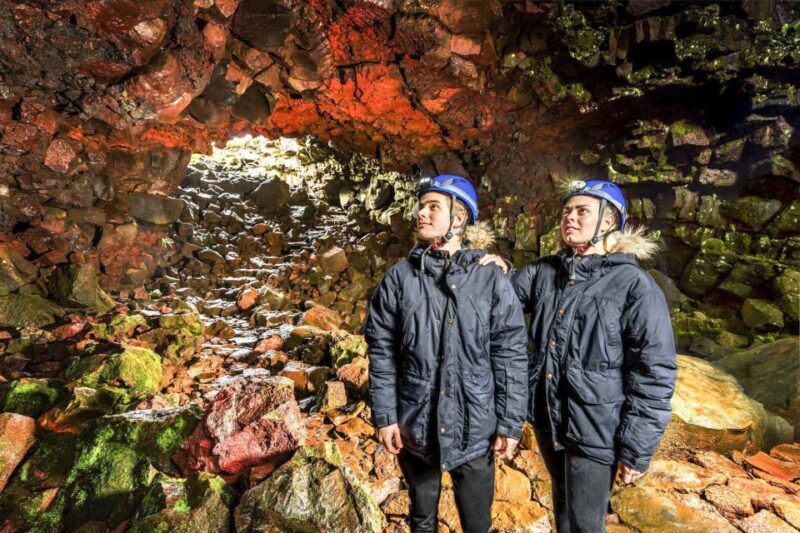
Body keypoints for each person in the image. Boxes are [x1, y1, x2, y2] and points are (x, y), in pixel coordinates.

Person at [480, 179, 677, 532]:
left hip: (595, 426)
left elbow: (654, 372)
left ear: (607, 220)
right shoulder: (546, 271)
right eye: (567, 211)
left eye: (582, 211)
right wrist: (496, 267)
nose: (569, 217)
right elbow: (496, 299)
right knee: (564, 510)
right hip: (548, 416)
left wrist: (636, 447)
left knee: (586, 523)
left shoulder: (633, 285)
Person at [365, 174, 529, 533]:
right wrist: (385, 416)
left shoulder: (490, 280)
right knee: (421, 518)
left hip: (476, 428)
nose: (421, 213)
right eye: (421, 205)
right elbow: (382, 351)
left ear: (458, 218)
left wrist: (510, 423)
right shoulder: (399, 278)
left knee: (476, 524)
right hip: (417, 428)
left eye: (432, 206)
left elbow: (511, 355)